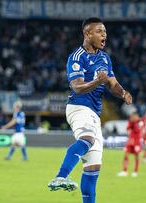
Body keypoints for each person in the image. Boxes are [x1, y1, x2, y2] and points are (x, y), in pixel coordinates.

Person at [47, 17, 133, 203]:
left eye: (105, 32)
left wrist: (123, 93)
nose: (104, 35)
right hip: (78, 107)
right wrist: (96, 82)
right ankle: (61, 176)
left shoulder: (104, 58)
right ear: (87, 34)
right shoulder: (77, 57)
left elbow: (113, 83)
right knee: (87, 139)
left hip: (94, 113)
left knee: (93, 168)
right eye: (100, 31)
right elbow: (77, 87)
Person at [117, 112, 144, 177]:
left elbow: (139, 130)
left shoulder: (140, 122)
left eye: (134, 116)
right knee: (126, 155)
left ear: (137, 116)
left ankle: (135, 172)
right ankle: (124, 171)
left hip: (136, 142)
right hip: (130, 141)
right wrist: (131, 122)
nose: (133, 118)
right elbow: (128, 129)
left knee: (137, 156)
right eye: (132, 117)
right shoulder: (131, 122)